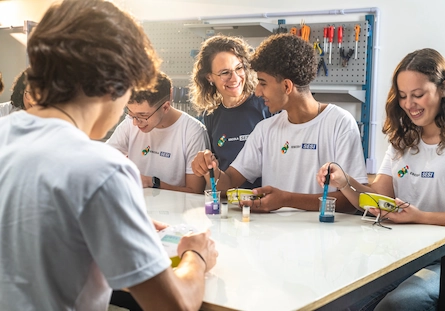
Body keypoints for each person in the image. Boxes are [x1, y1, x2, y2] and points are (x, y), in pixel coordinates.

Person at [0, 1, 217, 310]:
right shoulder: (101, 169)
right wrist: (196, 255)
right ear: (115, 85)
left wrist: (121, 217)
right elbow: (174, 305)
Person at [317, 48, 445, 310]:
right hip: (409, 252)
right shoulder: (402, 141)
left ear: (443, 89)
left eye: (418, 95)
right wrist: (344, 181)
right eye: (403, 96)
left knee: (401, 304)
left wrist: (420, 217)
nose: (410, 104)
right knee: (347, 301)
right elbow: (377, 199)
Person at [192, 33, 368, 213]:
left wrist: (287, 200)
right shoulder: (265, 129)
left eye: (263, 83)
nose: (258, 92)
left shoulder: (340, 123)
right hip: (271, 236)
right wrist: (210, 169)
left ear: (286, 87)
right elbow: (227, 185)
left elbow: (353, 201)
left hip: (323, 238)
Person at [189, 35, 271, 189]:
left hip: (265, 203)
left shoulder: (266, 106)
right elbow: (215, 171)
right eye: (225, 72)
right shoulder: (210, 115)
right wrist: (205, 165)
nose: (234, 79)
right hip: (229, 202)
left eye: (239, 68)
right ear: (209, 77)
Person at [107, 71, 209, 194]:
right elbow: (103, 158)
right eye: (130, 113)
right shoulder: (130, 123)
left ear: (165, 107)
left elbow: (194, 192)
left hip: (176, 211)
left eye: (143, 116)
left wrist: (152, 182)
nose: (135, 122)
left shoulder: (193, 132)